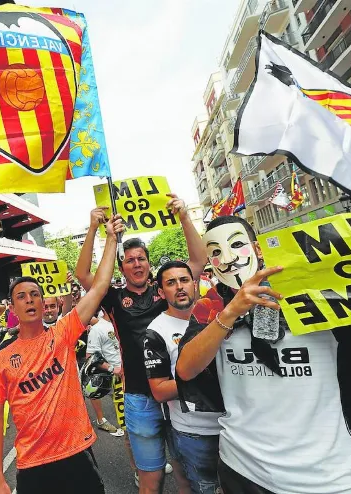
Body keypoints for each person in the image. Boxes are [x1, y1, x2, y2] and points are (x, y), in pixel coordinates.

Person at [175, 215, 351, 494]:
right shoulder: (209, 308)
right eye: (215, 252)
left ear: (258, 248)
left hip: (329, 476)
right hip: (244, 470)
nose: (227, 258)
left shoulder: (318, 295)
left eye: (237, 245)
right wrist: (230, 313)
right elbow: (186, 368)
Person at [76, 195, 207, 493]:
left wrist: (185, 216)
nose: (136, 264)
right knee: (151, 480)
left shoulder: (167, 289)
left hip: (178, 393)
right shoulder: (112, 298)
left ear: (149, 264)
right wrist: (94, 230)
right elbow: (84, 275)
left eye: (141, 259)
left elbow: (198, 262)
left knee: (186, 474)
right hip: (139, 396)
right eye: (130, 260)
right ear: (122, 268)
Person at [0, 214, 124, 494]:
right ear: (12, 309)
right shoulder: (2, 360)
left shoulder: (63, 332)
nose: (30, 300)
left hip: (77, 453)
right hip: (33, 465)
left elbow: (98, 288)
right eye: (21, 297)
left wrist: (110, 238)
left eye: (35, 294)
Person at [144, 261, 222, 494]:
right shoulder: (156, 330)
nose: (179, 287)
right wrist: (201, 377)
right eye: (170, 283)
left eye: (184, 280)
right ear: (160, 292)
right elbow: (158, 391)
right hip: (196, 432)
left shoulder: (219, 314)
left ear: (195, 284)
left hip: (237, 427)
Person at [86, 310, 125, 437]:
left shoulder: (124, 321)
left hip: (128, 374)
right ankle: (101, 420)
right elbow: (91, 356)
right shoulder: (97, 329)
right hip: (114, 376)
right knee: (126, 425)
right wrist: (112, 369)